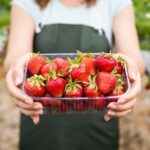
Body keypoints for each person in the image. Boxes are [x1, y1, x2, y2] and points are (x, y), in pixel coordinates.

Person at [4, 0, 145, 150]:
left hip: (98, 124)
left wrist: (131, 66)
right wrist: (16, 66)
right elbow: (14, 56)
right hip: (40, 119)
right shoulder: (27, 2)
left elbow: (133, 56)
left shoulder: (115, 2)